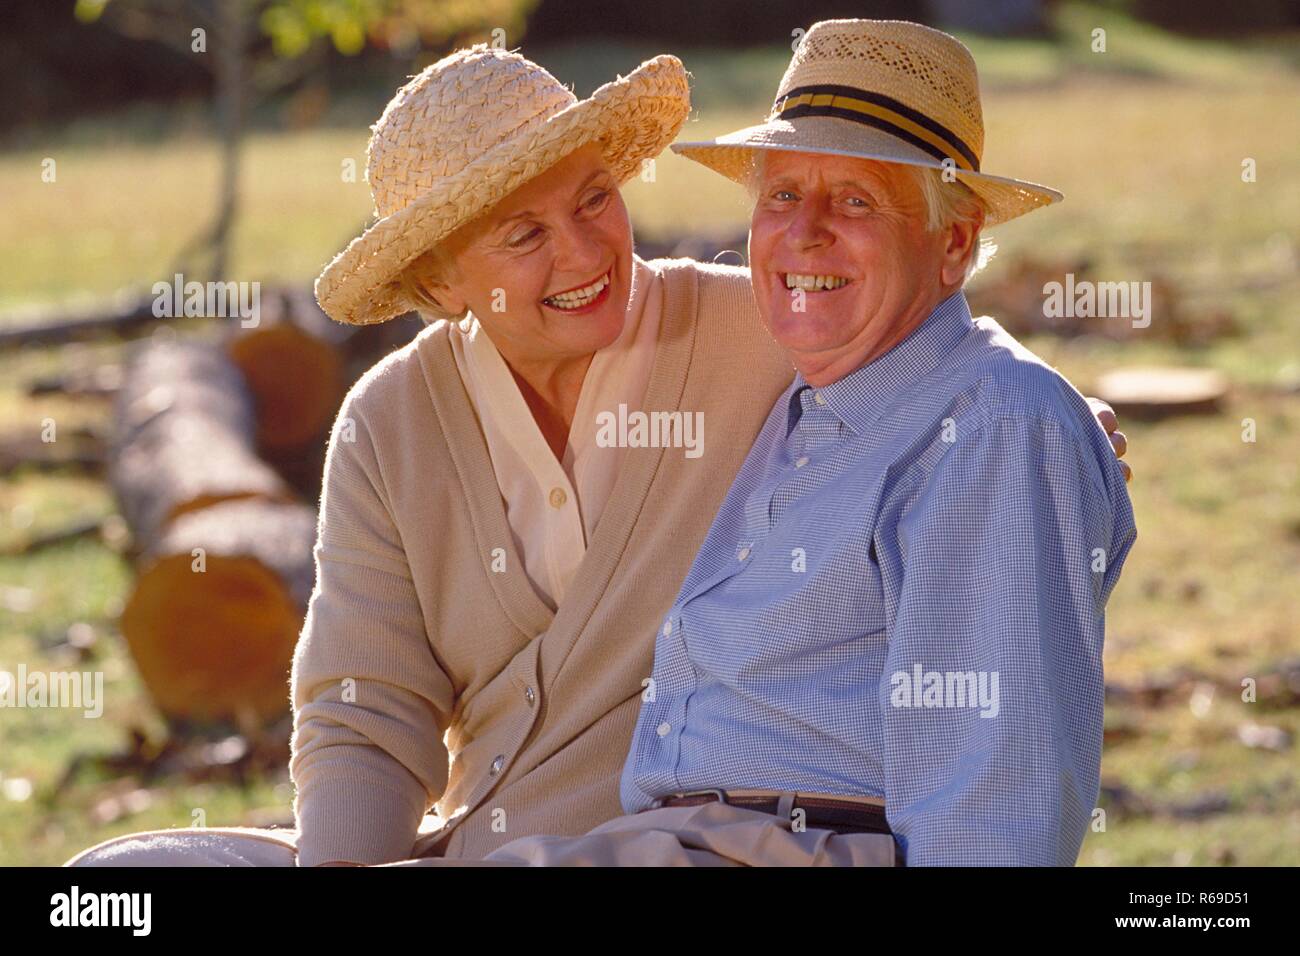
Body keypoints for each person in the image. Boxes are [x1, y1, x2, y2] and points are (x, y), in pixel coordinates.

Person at [67, 30, 1129, 868]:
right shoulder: (391, 424)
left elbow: (917, 339)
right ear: (439, 286)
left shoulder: (760, 329)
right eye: (523, 236)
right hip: (474, 839)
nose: (582, 252)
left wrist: (1059, 426)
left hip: (667, 848)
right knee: (122, 879)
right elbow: (366, 702)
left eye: (593, 200)